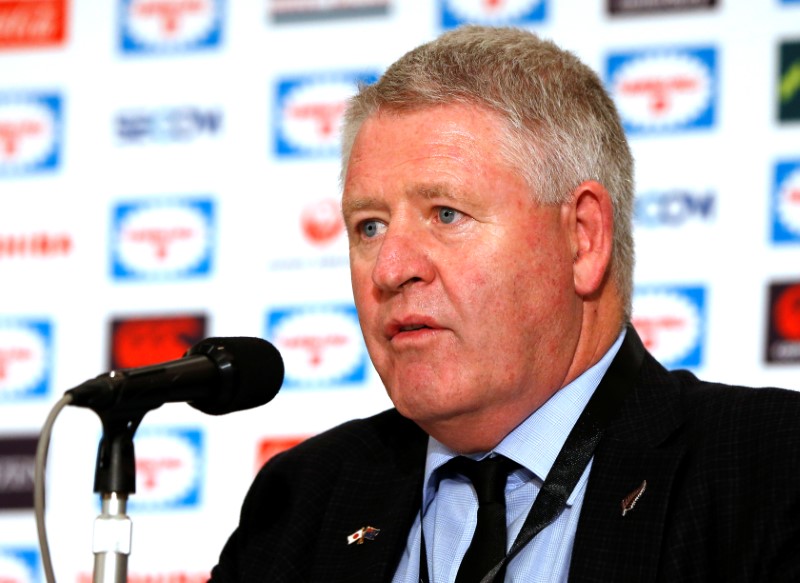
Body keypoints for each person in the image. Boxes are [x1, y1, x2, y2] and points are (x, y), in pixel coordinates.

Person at [208, 25, 800, 582]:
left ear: (583, 238)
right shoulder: (300, 503)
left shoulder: (769, 467)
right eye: (369, 227)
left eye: (446, 214)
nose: (390, 268)